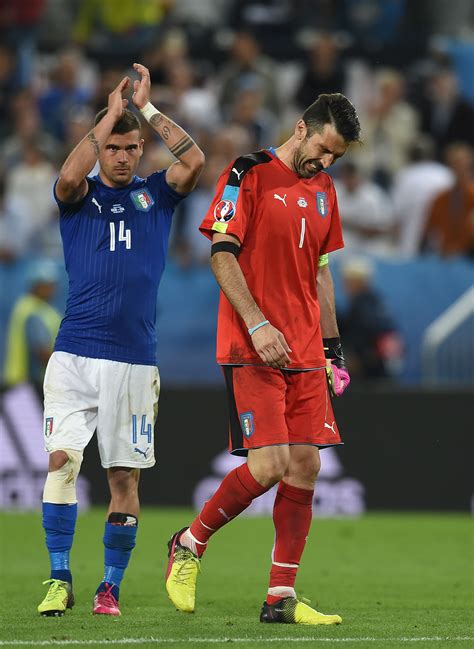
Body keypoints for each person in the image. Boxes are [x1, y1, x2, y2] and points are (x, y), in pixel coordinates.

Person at [165, 93, 360, 625]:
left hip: (303, 348)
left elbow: (320, 272)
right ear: (301, 128)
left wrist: (332, 345)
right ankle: (188, 543)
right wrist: (256, 323)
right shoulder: (246, 172)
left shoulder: (324, 189)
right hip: (253, 344)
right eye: (323, 149)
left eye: (336, 157)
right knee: (270, 465)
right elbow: (221, 255)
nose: (326, 163)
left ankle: (280, 598)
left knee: (307, 466)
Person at [37, 64, 204, 618]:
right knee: (61, 460)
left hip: (133, 359)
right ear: (101, 146)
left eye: (131, 147)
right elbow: (64, 177)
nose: (124, 156)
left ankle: (109, 587)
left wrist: (149, 110)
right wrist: (107, 113)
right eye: (114, 145)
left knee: (122, 476)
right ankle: (59, 578)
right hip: (74, 352)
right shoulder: (78, 198)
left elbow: (195, 161)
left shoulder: (157, 195)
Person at [3, 260, 61, 386]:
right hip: (23, 385)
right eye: (48, 285)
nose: (52, 289)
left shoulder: (43, 308)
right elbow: (41, 351)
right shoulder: (31, 310)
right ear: (37, 286)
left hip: (28, 383)